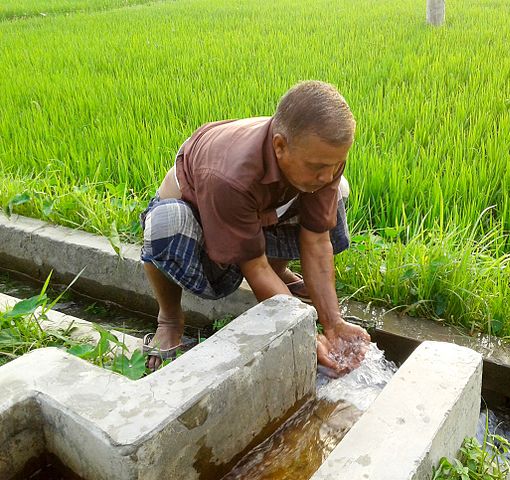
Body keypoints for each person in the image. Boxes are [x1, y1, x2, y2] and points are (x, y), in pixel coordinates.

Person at [140, 80, 370, 374]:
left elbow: (317, 240)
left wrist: (332, 323)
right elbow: (255, 268)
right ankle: (169, 318)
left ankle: (280, 275)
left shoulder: (321, 158)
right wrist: (306, 333)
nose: (327, 176)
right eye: (317, 167)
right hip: (198, 212)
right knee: (164, 223)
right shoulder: (230, 176)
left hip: (257, 209)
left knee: (338, 192)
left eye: (335, 165)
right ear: (279, 146)